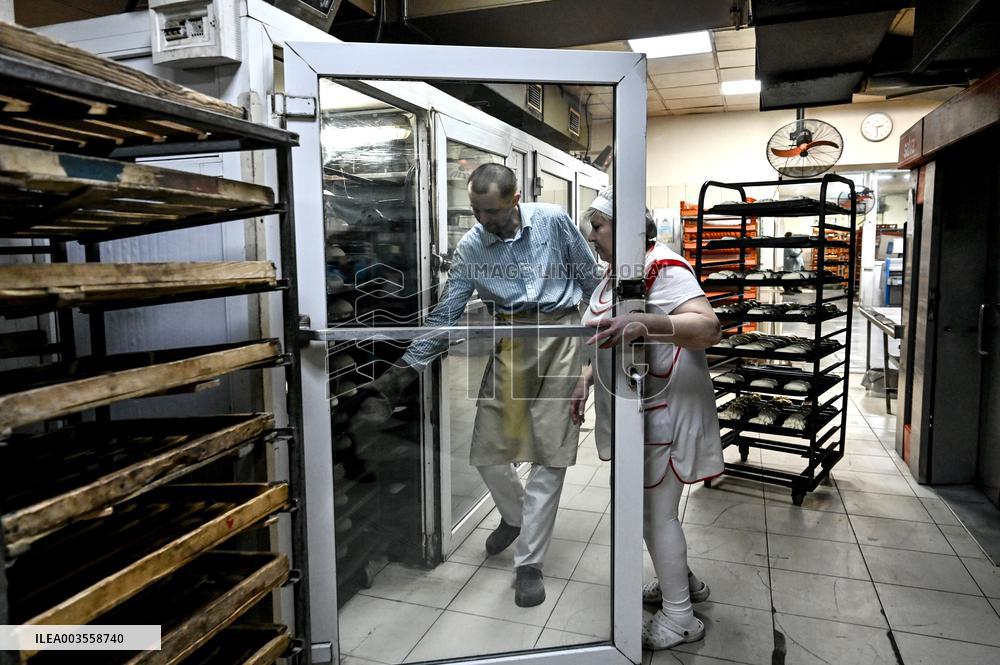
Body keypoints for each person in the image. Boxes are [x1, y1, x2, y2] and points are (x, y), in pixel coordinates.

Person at [352, 163, 599, 607]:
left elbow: (591, 280)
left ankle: (529, 563)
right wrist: (399, 375)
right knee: (488, 448)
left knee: (549, 454)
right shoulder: (470, 247)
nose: (485, 221)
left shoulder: (554, 222)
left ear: (516, 198)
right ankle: (514, 514)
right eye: (477, 211)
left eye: (495, 213)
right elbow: (446, 316)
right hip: (510, 341)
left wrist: (594, 351)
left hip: (561, 338)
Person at [570, 188, 724, 650]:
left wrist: (648, 325)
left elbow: (708, 327)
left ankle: (681, 618)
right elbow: (604, 335)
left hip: (666, 410)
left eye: (597, 226)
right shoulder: (618, 275)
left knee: (655, 516)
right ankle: (683, 583)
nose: (591, 235)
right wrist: (584, 378)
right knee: (647, 513)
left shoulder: (665, 268)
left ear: (630, 228)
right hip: (636, 413)